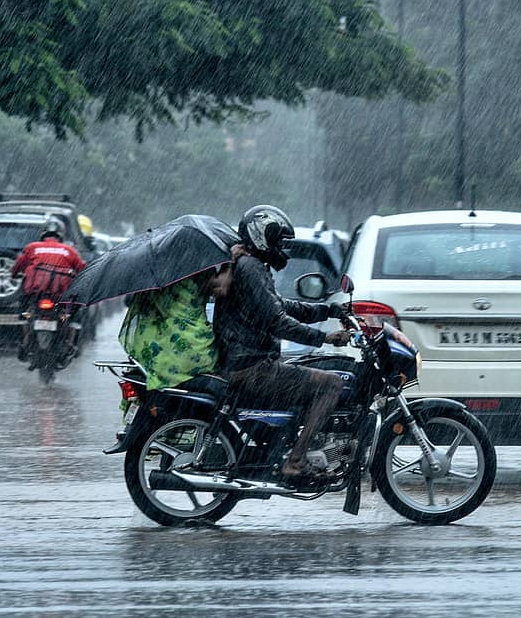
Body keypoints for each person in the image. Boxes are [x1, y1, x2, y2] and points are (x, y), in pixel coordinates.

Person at [213, 205, 349, 481]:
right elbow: (277, 320)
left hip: (248, 362)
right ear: (263, 236)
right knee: (331, 384)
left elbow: (280, 305)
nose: (283, 249)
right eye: (279, 241)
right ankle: (295, 461)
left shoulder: (253, 266)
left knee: (312, 370)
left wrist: (327, 310)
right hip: (251, 368)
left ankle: (294, 446)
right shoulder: (250, 268)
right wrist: (324, 337)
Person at [119, 265, 233, 391]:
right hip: (191, 346)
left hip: (152, 346)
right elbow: (221, 288)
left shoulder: (153, 272)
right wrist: (229, 264)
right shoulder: (196, 262)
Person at [12, 218, 86, 361]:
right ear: (60, 235)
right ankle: (70, 343)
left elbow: (17, 267)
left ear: (43, 234)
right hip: (60, 295)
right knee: (72, 315)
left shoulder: (32, 247)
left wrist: (15, 274)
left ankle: (26, 338)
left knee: (25, 313)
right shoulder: (69, 250)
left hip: (35, 293)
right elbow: (82, 270)